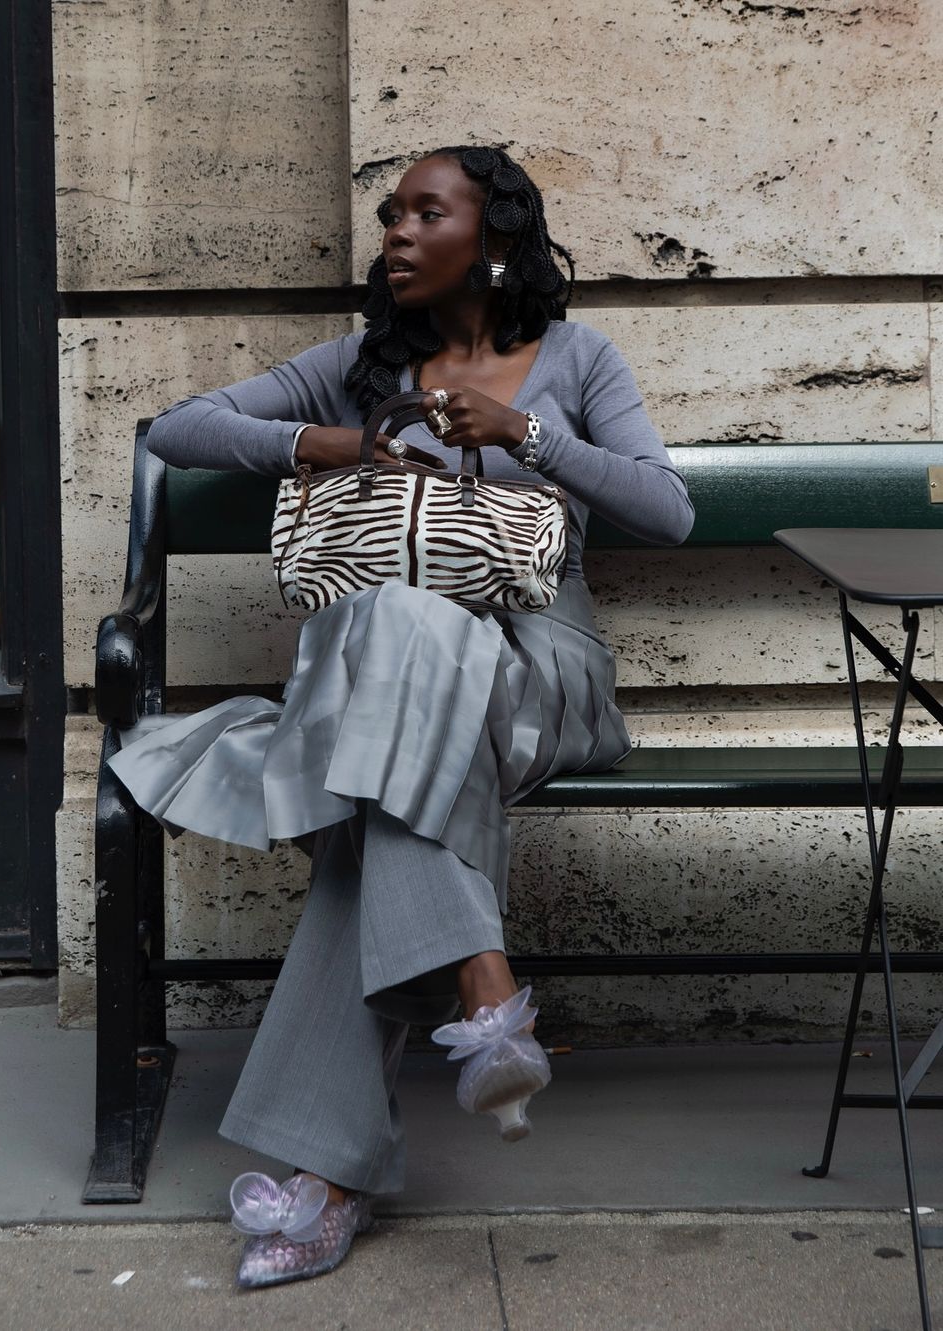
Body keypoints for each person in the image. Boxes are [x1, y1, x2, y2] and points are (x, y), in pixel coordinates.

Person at [108, 144, 694, 1288]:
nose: (397, 233)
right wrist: (317, 442)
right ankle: (471, 993)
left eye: (428, 213)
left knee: (394, 660)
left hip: (533, 667)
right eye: (392, 214)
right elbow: (178, 426)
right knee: (396, 645)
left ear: (497, 239)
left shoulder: (577, 358)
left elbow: (667, 509)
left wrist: (525, 435)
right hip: (386, 688)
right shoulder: (361, 363)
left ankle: (335, 1168)